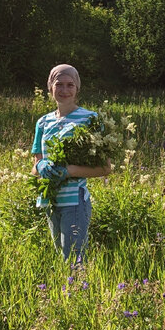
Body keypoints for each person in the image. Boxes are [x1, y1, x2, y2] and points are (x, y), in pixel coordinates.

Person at [31, 64, 110, 263]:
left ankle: (79, 293)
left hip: (74, 202)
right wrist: (41, 167)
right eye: (59, 84)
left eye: (70, 85)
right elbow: (36, 164)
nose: (64, 90)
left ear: (77, 89)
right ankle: (68, 293)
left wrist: (69, 171)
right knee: (62, 258)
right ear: (50, 87)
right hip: (50, 201)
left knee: (74, 260)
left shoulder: (90, 119)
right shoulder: (43, 122)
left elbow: (105, 168)